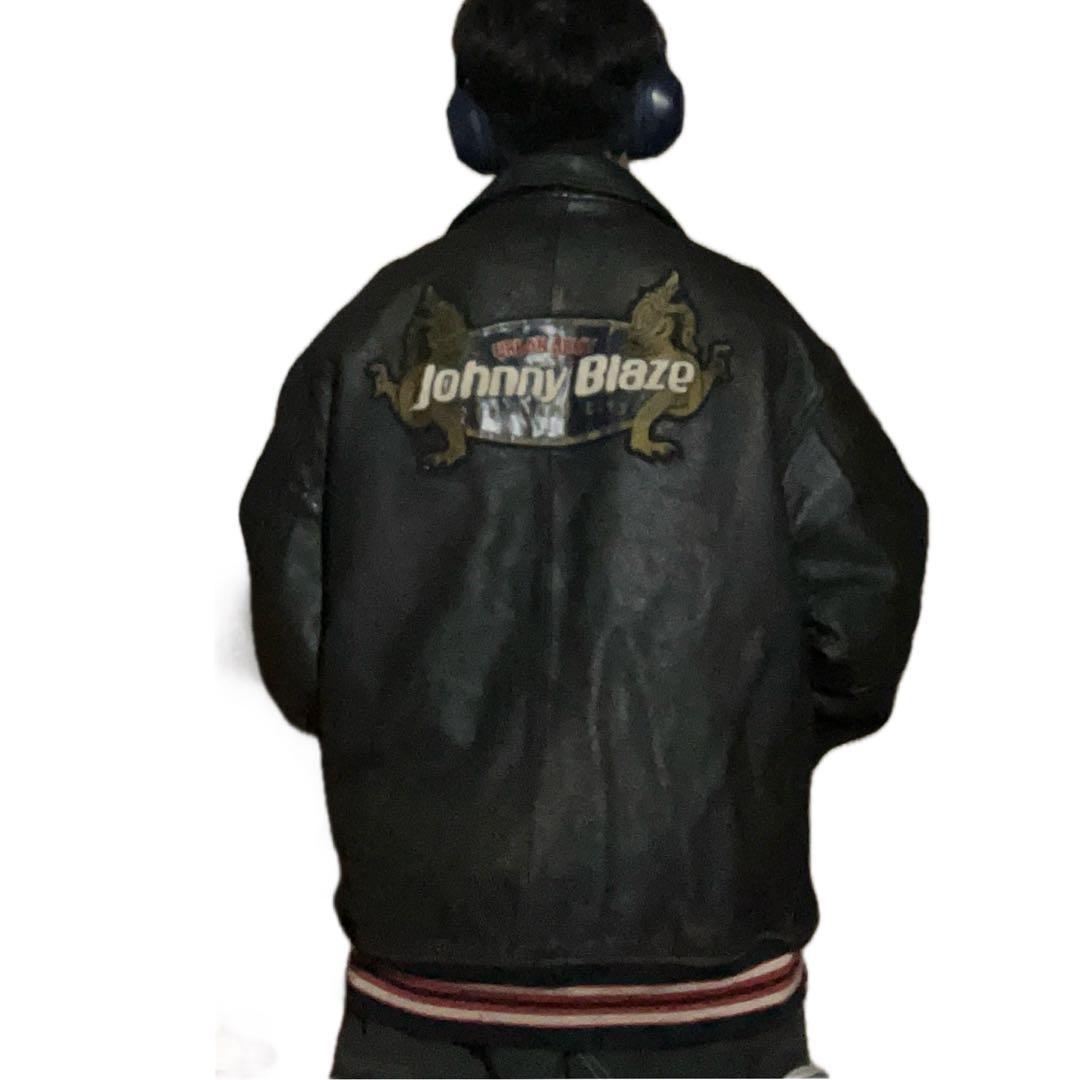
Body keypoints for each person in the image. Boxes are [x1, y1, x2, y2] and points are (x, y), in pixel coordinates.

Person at [239, 1, 929, 1075]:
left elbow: (300, 650)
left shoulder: (365, 338)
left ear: (468, 122)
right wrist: (735, 744)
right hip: (708, 1012)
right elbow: (864, 609)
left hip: (425, 1008)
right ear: (657, 107)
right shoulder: (755, 333)